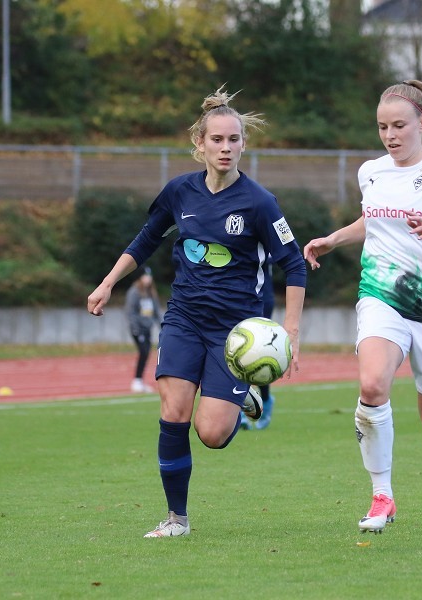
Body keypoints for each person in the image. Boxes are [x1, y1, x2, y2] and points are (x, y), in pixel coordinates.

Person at [87, 87, 306, 538]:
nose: (225, 148)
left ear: (244, 144)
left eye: (233, 140)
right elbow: (145, 239)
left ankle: (246, 395)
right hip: (184, 317)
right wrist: (109, 282)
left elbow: (295, 264)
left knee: (211, 434)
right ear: (200, 144)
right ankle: (176, 519)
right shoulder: (179, 192)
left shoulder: (259, 202)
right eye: (217, 140)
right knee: (174, 411)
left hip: (235, 331)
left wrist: (291, 330)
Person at [303, 80, 422, 546]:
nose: (390, 134)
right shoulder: (371, 172)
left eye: (399, 125)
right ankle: (382, 494)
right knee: (371, 385)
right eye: (383, 126)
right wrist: (334, 238)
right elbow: (374, 218)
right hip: (382, 295)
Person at [239, 254, 276, 430]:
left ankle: (266, 399)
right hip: (238, 299)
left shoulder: (266, 230)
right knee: (238, 352)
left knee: (258, 355)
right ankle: (240, 405)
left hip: (263, 299)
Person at [125, 266, 163, 394]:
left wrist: (163, 326)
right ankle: (136, 381)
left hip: (147, 328)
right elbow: (131, 312)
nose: (148, 279)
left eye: (149, 276)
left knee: (146, 352)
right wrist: (136, 329)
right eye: (145, 276)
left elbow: (156, 311)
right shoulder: (134, 292)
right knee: (143, 351)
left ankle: (139, 381)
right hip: (138, 329)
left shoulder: (151, 292)